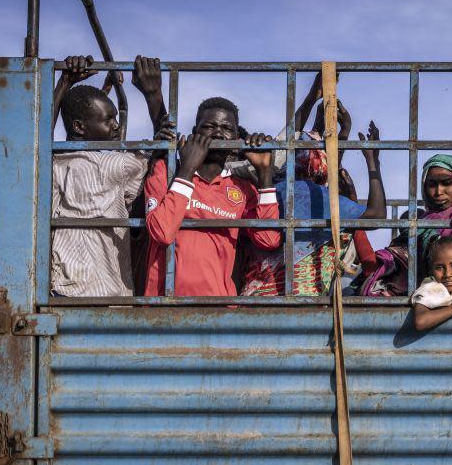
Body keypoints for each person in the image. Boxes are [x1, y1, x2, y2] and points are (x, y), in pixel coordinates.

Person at [49, 55, 173, 297]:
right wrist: (153, 94)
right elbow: (167, 146)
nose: (117, 125)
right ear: (79, 127)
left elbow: (35, 139)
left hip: (67, 290)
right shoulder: (118, 163)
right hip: (107, 291)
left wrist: (64, 83)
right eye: (109, 119)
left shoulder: (53, 162)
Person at [142, 96, 281, 296]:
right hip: (165, 306)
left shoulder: (241, 188)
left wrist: (265, 173)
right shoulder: (166, 172)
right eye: (209, 126)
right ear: (194, 133)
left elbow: (269, 239)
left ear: (235, 139)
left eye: (227, 128)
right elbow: (161, 232)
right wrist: (188, 168)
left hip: (218, 307)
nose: (218, 133)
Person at [241, 121, 386, 296]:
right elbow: (376, 215)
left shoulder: (264, 193)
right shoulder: (323, 198)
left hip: (253, 299)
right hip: (303, 304)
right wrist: (373, 161)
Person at [362, 154, 452, 296]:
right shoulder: (423, 221)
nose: (438, 192)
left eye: (446, 183)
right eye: (432, 185)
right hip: (426, 291)